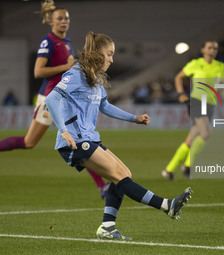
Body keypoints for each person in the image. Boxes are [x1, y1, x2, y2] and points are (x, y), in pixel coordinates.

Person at [45, 31, 193, 240]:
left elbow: (105, 106)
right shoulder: (76, 73)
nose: (112, 59)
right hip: (74, 142)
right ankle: (166, 205)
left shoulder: (94, 77)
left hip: (88, 138)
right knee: (119, 175)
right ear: (97, 53)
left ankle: (107, 227)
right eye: (109, 54)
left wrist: (134, 118)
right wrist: (63, 130)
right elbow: (51, 100)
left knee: (124, 175)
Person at [0, 0, 109, 199]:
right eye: (60, 18)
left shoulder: (65, 42)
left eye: (66, 18)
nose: (64, 21)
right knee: (29, 142)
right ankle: (103, 185)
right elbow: (38, 71)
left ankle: (103, 186)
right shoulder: (48, 41)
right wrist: (66, 68)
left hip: (64, 98)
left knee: (81, 139)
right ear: (51, 21)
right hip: (50, 97)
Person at [162, 40, 224, 180]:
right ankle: (188, 166)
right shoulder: (196, 64)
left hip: (210, 104)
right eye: (209, 48)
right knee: (206, 132)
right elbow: (178, 77)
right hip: (196, 102)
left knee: (191, 139)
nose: (212, 51)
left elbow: (220, 86)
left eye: (215, 48)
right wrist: (181, 94)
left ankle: (169, 169)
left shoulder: (220, 66)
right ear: (203, 49)